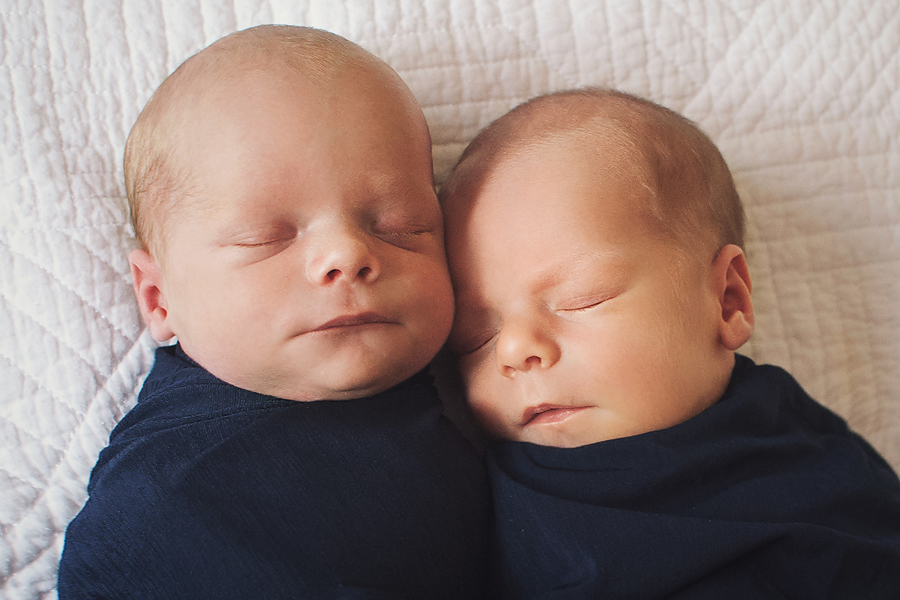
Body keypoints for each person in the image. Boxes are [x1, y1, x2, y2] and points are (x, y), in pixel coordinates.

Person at [58, 25, 490, 599]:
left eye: (401, 224)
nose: (348, 254)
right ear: (159, 299)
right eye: (266, 237)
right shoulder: (162, 505)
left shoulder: (492, 402)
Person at [438, 87, 900, 599]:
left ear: (726, 300)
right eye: (474, 337)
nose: (512, 350)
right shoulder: (484, 501)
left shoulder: (805, 450)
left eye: (582, 298)